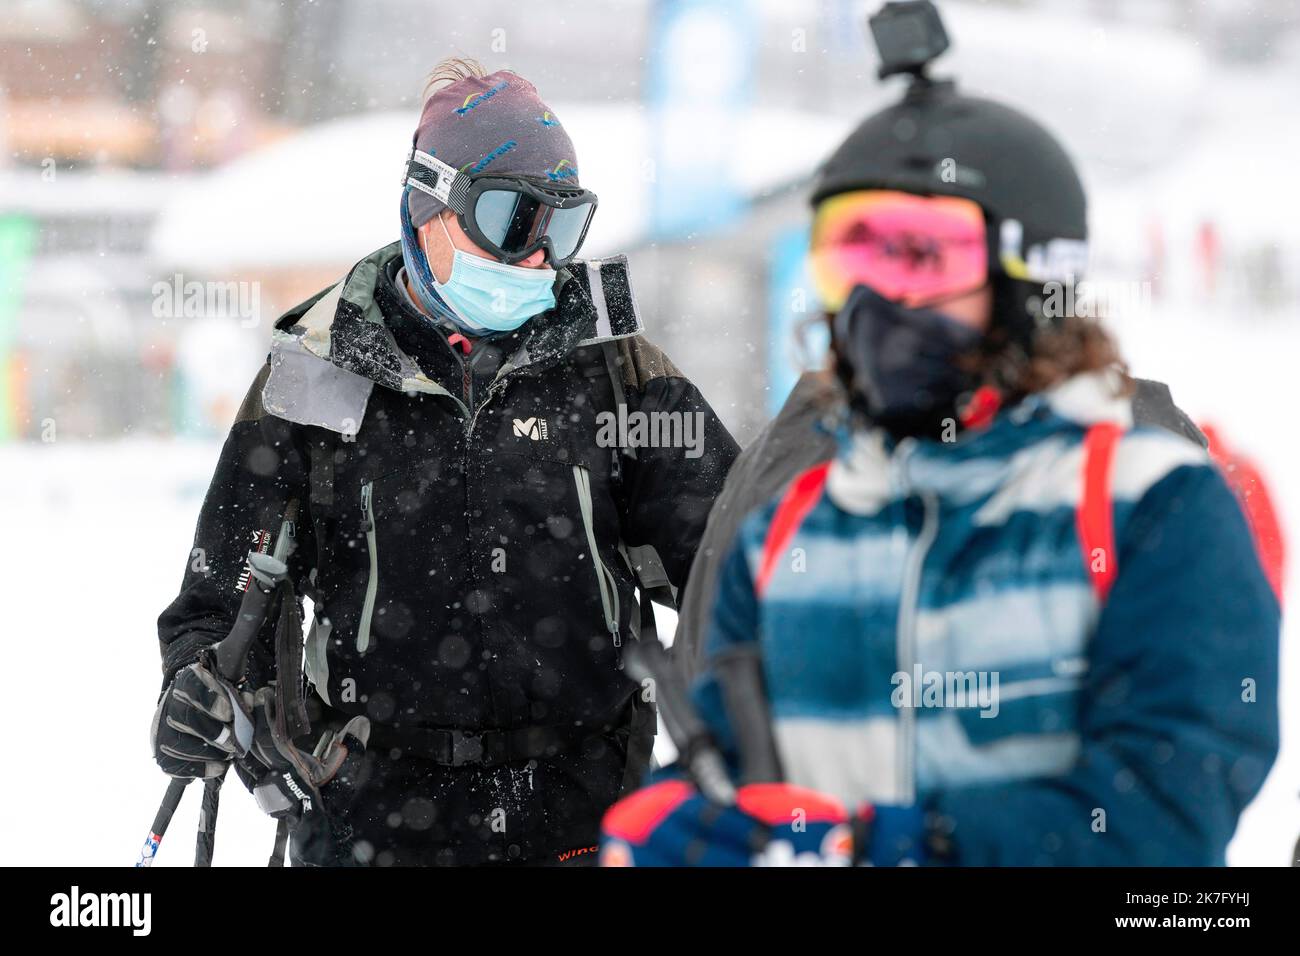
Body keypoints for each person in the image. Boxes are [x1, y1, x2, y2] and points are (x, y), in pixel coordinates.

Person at [602, 54, 1279, 867]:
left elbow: (1166, 808)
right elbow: (739, 767)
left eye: (922, 256)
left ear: (1033, 273)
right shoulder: (791, 527)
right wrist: (687, 823)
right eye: (850, 257)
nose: (878, 301)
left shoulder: (1151, 507)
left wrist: (896, 847)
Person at [151, 59, 739, 866]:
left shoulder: (615, 374)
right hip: (372, 822)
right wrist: (193, 687)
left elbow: (737, 570)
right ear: (428, 204)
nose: (539, 258)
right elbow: (218, 599)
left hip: (586, 817)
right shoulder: (319, 374)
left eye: (562, 228)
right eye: (510, 219)